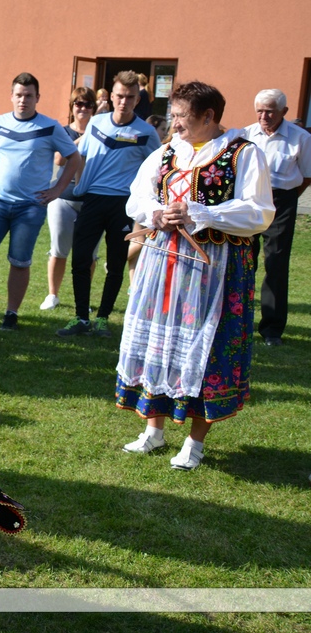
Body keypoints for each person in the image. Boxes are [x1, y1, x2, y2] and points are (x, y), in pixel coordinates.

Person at [116, 81, 273, 471]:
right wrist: (156, 213)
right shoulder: (167, 152)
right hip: (163, 266)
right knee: (159, 341)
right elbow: (137, 197)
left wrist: (202, 213)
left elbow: (259, 212)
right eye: (173, 115)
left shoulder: (242, 153)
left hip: (217, 269)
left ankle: (194, 443)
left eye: (182, 116)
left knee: (207, 346)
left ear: (209, 116)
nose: (175, 123)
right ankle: (153, 430)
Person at [59, 71, 161, 338]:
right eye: (120, 96)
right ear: (111, 97)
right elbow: (79, 155)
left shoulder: (146, 133)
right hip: (92, 199)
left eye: (130, 97)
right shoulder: (96, 123)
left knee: (116, 263)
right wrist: (74, 185)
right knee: (81, 259)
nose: (124, 102)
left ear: (137, 99)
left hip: (122, 205)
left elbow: (158, 169)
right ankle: (81, 317)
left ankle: (103, 318)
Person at [0, 73, 80, 330]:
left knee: (19, 261)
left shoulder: (50, 127)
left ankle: (11, 313)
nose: (23, 100)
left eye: (28, 95)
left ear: (37, 98)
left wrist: (57, 189)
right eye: (19, 95)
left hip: (30, 207)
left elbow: (74, 158)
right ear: (11, 96)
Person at [245, 89, 311, 346]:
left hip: (282, 202)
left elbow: (306, 176)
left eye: (270, 111)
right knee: (243, 261)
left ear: (284, 111)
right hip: (250, 202)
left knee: (276, 262)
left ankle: (272, 329)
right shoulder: (246, 135)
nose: (264, 116)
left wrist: (286, 198)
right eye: (260, 111)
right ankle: (238, 319)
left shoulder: (301, 138)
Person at [41, 87, 96, 310]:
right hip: (63, 198)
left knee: (89, 255)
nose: (83, 108)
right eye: (78, 104)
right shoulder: (63, 131)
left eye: (88, 104)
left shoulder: (100, 132)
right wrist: (83, 139)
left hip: (91, 200)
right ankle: (52, 295)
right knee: (58, 250)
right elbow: (59, 160)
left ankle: (83, 299)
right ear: (72, 107)